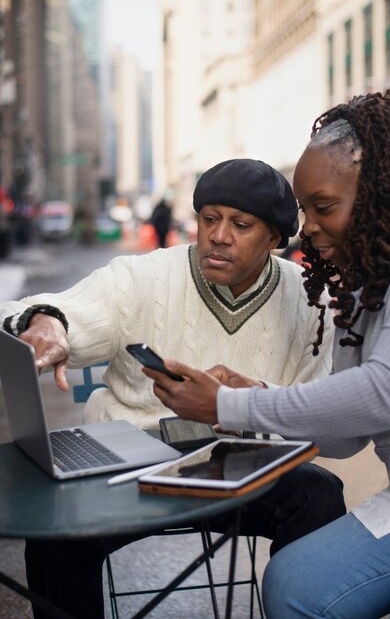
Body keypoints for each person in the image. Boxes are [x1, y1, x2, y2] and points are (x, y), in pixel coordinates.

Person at [0, 158, 345, 619]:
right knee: (57, 532)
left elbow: (320, 416)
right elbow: (34, 308)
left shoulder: (310, 298)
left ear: (275, 240)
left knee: (319, 494)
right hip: (129, 473)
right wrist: (44, 322)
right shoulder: (142, 278)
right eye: (209, 219)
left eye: (240, 225)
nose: (218, 235)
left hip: (241, 472)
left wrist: (254, 399)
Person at [144, 92, 390, 619]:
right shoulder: (362, 288)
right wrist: (257, 396)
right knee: (293, 583)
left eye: (323, 207)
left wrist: (228, 406)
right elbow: (343, 437)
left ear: (381, 196)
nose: (307, 226)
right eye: (304, 209)